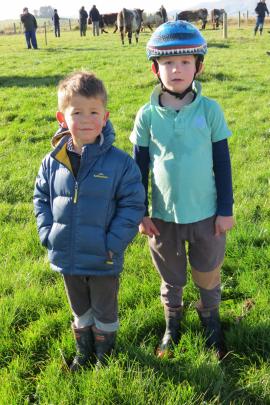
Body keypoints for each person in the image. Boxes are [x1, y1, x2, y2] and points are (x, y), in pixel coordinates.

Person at [130, 21, 234, 360]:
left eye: (186, 62)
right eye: (168, 63)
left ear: (198, 66)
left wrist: (225, 209)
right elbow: (138, 169)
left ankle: (211, 322)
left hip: (206, 216)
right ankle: (172, 324)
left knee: (208, 272)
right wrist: (141, 212)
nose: (176, 69)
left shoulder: (210, 110)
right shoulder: (146, 116)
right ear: (154, 68)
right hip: (163, 218)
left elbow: (223, 164)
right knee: (171, 277)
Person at [34, 71, 145, 371]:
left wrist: (114, 243)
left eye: (94, 112)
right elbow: (41, 196)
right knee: (79, 308)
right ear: (62, 117)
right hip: (67, 254)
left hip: (103, 256)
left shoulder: (120, 164)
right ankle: (83, 351)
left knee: (104, 310)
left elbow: (133, 204)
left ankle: (104, 354)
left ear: (105, 116)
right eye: (77, 112)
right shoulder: (53, 161)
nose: (86, 119)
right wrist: (48, 233)